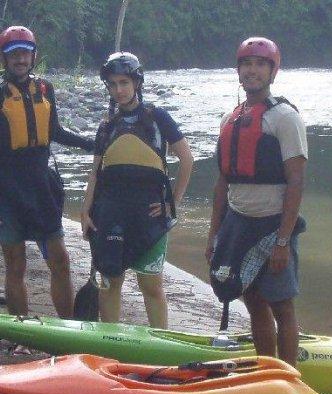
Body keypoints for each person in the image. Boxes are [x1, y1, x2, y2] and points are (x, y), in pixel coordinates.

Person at [207, 37, 307, 365]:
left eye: (260, 64)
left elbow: (296, 181)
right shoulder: (229, 120)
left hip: (272, 224)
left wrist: (282, 240)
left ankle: (288, 378)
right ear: (238, 70)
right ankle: (267, 370)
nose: (252, 70)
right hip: (238, 222)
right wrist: (214, 235)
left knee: (282, 305)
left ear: (272, 71)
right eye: (246, 64)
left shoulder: (285, 118)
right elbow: (222, 182)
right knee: (252, 299)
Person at [81, 52, 193, 328]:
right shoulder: (107, 126)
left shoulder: (159, 118)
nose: (118, 90)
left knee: (151, 287)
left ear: (137, 83)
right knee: (110, 284)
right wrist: (85, 212)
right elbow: (95, 173)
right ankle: (110, 345)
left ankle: (160, 345)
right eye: (112, 84)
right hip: (111, 215)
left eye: (123, 82)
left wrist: (172, 204)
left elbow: (187, 160)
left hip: (150, 216)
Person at [0, 25, 94, 317]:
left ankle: (67, 328)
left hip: (42, 187)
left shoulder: (45, 89)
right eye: (13, 54)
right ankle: (23, 335)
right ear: (5, 59)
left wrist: (91, 143)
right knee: (15, 264)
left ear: (33, 56)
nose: (20, 59)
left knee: (60, 260)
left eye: (25, 53)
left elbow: (54, 132)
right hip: (8, 191)